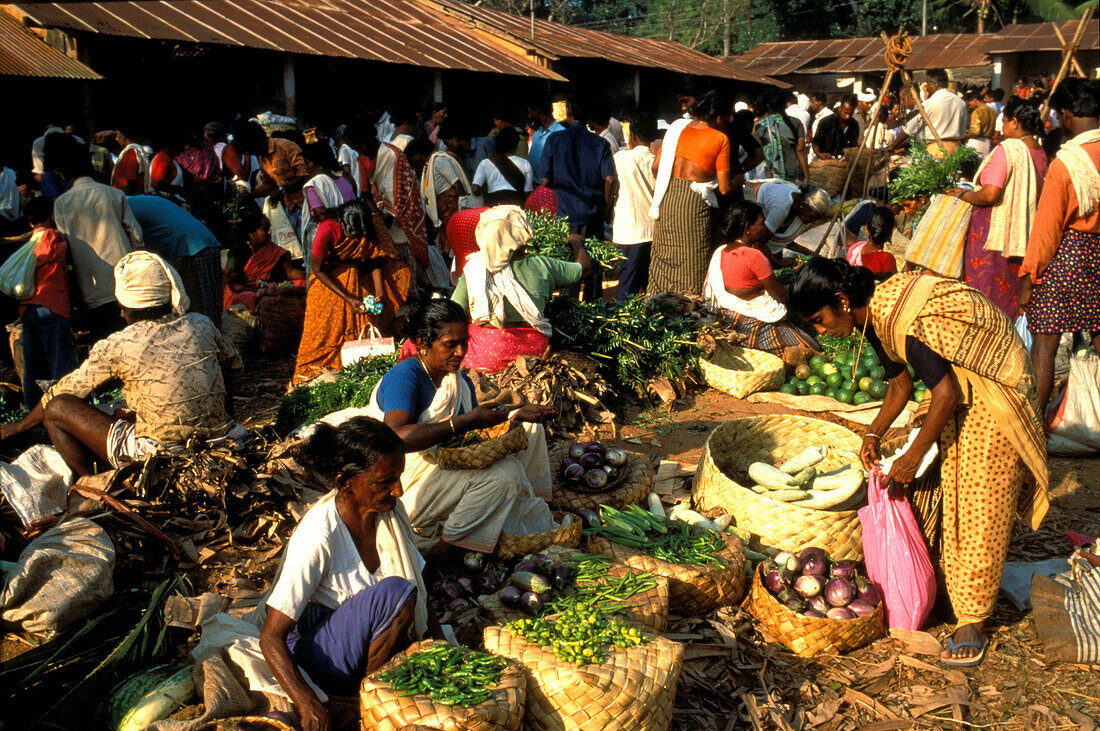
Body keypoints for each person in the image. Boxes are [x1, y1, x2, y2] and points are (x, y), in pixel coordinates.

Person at [788, 258, 1048, 667]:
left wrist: (909, 458)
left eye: (819, 320)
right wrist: (872, 432)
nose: (822, 332)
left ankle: (973, 619)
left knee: (981, 499)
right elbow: (899, 385)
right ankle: (954, 580)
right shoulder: (871, 317)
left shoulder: (899, 316)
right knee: (949, 484)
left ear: (841, 300)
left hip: (994, 390)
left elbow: (944, 394)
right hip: (960, 385)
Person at [0, 251, 246, 476]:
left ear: (125, 308)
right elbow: (235, 368)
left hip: (160, 454)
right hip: (223, 441)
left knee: (57, 408)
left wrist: (21, 426)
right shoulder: (200, 324)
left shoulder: (120, 343)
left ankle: (92, 483)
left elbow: (63, 391)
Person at [259, 417, 433, 728]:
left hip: (358, 638)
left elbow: (419, 583)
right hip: (320, 652)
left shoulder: (389, 514)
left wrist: (437, 642)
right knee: (395, 594)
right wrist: (306, 701)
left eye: (399, 478)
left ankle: (370, 690)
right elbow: (271, 636)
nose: (399, 490)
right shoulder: (319, 535)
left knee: (403, 600)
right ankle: (361, 700)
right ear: (344, 483)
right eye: (386, 482)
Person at [364, 295, 557, 554]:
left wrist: (515, 414)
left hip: (444, 461)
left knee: (531, 430)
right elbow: (395, 437)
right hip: (406, 479)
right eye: (450, 344)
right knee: (504, 475)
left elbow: (473, 433)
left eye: (464, 343)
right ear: (422, 343)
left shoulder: (457, 380)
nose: (461, 352)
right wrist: (463, 423)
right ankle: (447, 549)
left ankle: (526, 506)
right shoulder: (407, 376)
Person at [1020, 78, 1100, 426]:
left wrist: (1030, 277)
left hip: (1067, 257)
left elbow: (1047, 229)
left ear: (1067, 116)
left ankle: (1035, 428)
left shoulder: (1066, 163)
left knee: (1044, 345)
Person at [945, 97, 1048, 320]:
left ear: (1015, 122)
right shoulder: (1039, 152)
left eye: (1005, 122)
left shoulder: (1009, 149)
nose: (1001, 128)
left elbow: (990, 194)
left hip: (993, 240)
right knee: (1010, 298)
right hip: (1023, 238)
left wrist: (964, 193)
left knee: (985, 299)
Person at [451, 206, 590, 371]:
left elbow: (453, 311)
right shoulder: (543, 265)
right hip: (533, 355)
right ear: (522, 233)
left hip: (488, 356)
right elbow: (585, 269)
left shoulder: (474, 268)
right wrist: (576, 243)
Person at [293, 200, 411, 383]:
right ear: (341, 223)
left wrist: (380, 292)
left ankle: (355, 372)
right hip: (330, 281)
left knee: (366, 325)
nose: (356, 241)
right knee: (321, 335)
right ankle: (312, 378)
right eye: (352, 235)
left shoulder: (373, 225)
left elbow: (375, 257)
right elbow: (318, 269)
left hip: (362, 277)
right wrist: (349, 298)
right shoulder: (327, 229)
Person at [50, 134, 142, 341]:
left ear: (63, 174)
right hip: (126, 279)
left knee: (106, 343)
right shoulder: (114, 194)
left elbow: (67, 251)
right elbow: (136, 235)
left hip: (91, 287)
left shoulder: (62, 203)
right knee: (135, 337)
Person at [702, 201, 819, 360]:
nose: (765, 227)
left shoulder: (722, 250)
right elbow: (781, 296)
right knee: (811, 348)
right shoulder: (754, 256)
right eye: (761, 223)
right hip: (752, 323)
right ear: (747, 227)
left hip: (726, 318)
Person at [648, 90, 733, 294]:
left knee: (663, 256)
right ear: (719, 116)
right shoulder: (720, 138)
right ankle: (688, 312)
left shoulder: (677, 129)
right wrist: (737, 180)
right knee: (692, 260)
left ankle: (656, 306)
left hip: (668, 197)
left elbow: (655, 168)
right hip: (693, 205)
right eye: (728, 117)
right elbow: (724, 188)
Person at [18, 197, 78, 410]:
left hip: (30, 308)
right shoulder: (53, 237)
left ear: (31, 222)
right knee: (60, 362)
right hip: (53, 306)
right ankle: (68, 410)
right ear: (52, 216)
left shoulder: (28, 243)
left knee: (33, 365)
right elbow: (60, 254)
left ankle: (34, 411)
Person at [127, 194, 225, 325]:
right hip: (206, 241)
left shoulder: (122, 206)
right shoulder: (135, 200)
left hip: (189, 248)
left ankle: (208, 343)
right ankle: (215, 342)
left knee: (197, 315)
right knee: (211, 307)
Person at [360, 125, 438, 288]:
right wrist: (377, 214)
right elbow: (365, 192)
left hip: (402, 221)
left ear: (367, 140)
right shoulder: (362, 159)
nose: (359, 150)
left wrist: (390, 213)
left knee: (409, 277)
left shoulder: (394, 155)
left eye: (359, 145)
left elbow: (404, 191)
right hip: (381, 220)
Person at [537, 100, 616, 241]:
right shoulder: (601, 143)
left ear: (569, 114)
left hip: (564, 213)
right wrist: (606, 205)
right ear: (588, 118)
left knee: (566, 260)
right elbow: (610, 179)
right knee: (593, 259)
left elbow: (544, 180)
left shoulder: (554, 140)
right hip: (592, 214)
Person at [612, 115, 658, 300]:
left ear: (633, 135)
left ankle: (623, 323)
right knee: (649, 281)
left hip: (630, 230)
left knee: (628, 282)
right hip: (653, 229)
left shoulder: (621, 158)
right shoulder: (656, 160)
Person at [225, 208, 306, 311]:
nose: (269, 233)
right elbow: (235, 285)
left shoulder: (271, 249)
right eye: (264, 229)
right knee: (252, 298)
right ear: (252, 233)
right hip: (244, 293)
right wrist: (259, 290)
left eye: (269, 229)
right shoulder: (238, 251)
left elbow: (289, 271)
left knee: (301, 284)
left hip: (269, 289)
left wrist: (309, 275)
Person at [409, 133, 473, 256]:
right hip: (444, 214)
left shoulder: (438, 161)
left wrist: (462, 209)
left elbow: (458, 185)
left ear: (417, 155)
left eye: (412, 160)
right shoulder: (428, 166)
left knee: (458, 244)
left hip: (453, 210)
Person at [742, 180, 832, 260]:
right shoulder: (781, 207)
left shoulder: (797, 206)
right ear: (803, 205)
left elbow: (783, 242)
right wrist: (779, 265)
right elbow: (760, 242)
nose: (812, 222)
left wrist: (811, 254)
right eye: (812, 217)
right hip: (745, 203)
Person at [889, 69, 968, 158]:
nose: (926, 87)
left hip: (935, 150)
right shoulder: (961, 103)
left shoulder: (928, 104)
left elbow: (910, 129)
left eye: (927, 83)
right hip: (955, 151)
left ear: (935, 84)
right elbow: (962, 130)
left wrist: (892, 146)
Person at [472, 126, 533, 207]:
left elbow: (475, 189)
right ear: (516, 144)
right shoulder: (525, 163)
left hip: (493, 206)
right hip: (516, 206)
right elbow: (527, 191)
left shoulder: (485, 163)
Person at [754, 90, 807, 181]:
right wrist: (806, 175)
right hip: (792, 171)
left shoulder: (760, 126)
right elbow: (800, 149)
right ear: (786, 105)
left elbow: (758, 152)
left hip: (770, 173)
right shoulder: (795, 122)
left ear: (768, 107)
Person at [846, 206, 898, 278]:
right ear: (892, 231)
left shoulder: (854, 249)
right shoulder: (886, 259)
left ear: (866, 229)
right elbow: (893, 286)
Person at [812, 94, 860, 160]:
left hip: (844, 162)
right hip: (825, 161)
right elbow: (815, 143)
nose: (847, 116)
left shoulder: (854, 125)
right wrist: (819, 154)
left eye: (850, 114)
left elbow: (853, 145)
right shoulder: (826, 122)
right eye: (845, 113)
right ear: (840, 108)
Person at [109, 128, 151, 194]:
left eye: (117, 134)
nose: (116, 138)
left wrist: (125, 199)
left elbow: (131, 181)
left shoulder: (131, 152)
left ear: (124, 135)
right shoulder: (130, 152)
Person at [527, 102, 565, 173]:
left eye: (530, 112)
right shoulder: (536, 133)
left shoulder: (561, 133)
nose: (529, 116)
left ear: (538, 112)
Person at [965, 90, 997, 158]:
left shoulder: (977, 112)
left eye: (970, 104)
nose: (970, 107)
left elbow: (976, 132)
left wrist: (964, 135)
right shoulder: (993, 111)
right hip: (988, 143)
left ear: (975, 100)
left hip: (976, 143)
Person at [807, 93, 834, 164]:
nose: (811, 105)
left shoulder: (828, 116)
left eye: (813, 102)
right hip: (815, 154)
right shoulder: (818, 116)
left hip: (823, 155)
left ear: (819, 103)